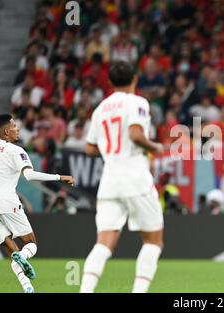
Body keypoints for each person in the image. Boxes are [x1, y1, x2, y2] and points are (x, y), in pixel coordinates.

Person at [80, 61, 165, 293]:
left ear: (110, 82)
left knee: (104, 243)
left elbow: (89, 148)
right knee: (153, 241)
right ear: (135, 79)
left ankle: (85, 290)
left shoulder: (100, 109)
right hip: (135, 178)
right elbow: (136, 134)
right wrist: (154, 147)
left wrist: (109, 149)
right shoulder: (138, 102)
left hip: (109, 183)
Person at [0, 113, 74, 293]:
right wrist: (59, 177)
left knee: (12, 251)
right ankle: (23, 256)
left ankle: (28, 288)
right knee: (31, 243)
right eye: (15, 126)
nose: (18, 129)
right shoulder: (15, 150)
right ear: (7, 132)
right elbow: (29, 176)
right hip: (7, 201)